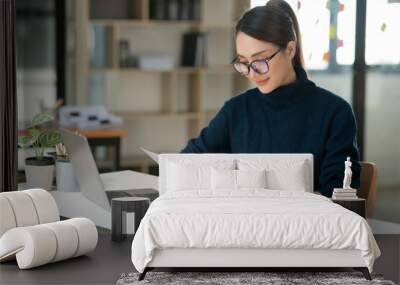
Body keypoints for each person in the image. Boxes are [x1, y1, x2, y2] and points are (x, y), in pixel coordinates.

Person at [180, 0, 360, 197]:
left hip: (307, 224)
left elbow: (338, 194)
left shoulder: (335, 113)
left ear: (290, 50)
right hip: (243, 223)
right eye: (243, 63)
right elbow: (188, 161)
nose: (253, 73)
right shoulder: (236, 110)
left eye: (260, 60)